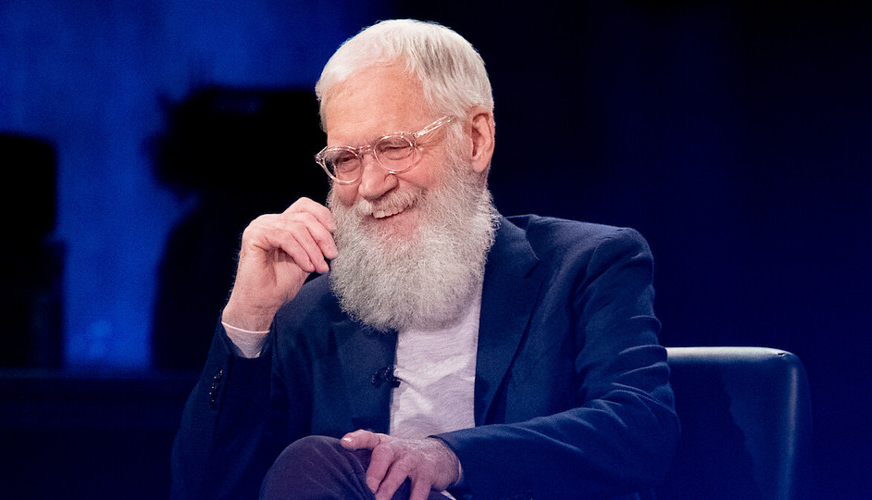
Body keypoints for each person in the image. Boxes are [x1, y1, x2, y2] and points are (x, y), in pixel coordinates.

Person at [171, 19, 679, 500]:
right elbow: (206, 491)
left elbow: (640, 427)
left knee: (312, 462)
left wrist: (449, 456)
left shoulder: (586, 265)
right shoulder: (310, 314)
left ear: (476, 140)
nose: (370, 186)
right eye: (346, 159)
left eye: (395, 148)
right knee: (309, 465)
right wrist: (249, 317)